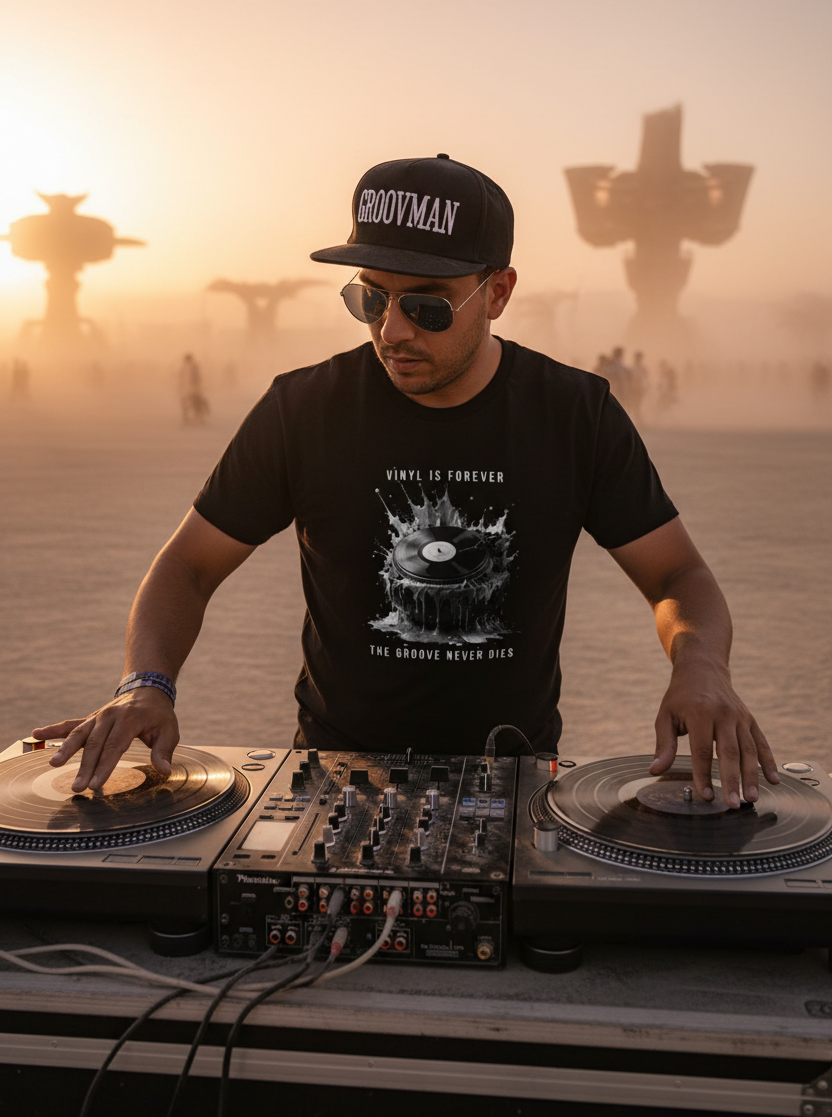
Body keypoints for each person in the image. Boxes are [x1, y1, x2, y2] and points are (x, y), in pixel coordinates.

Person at [34, 153, 779, 811]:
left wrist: (701, 664)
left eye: (426, 305)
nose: (392, 331)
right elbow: (189, 565)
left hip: (514, 774)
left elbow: (676, 572)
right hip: (331, 770)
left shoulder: (574, 415)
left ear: (498, 292)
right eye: (370, 298)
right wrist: (147, 683)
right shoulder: (303, 410)